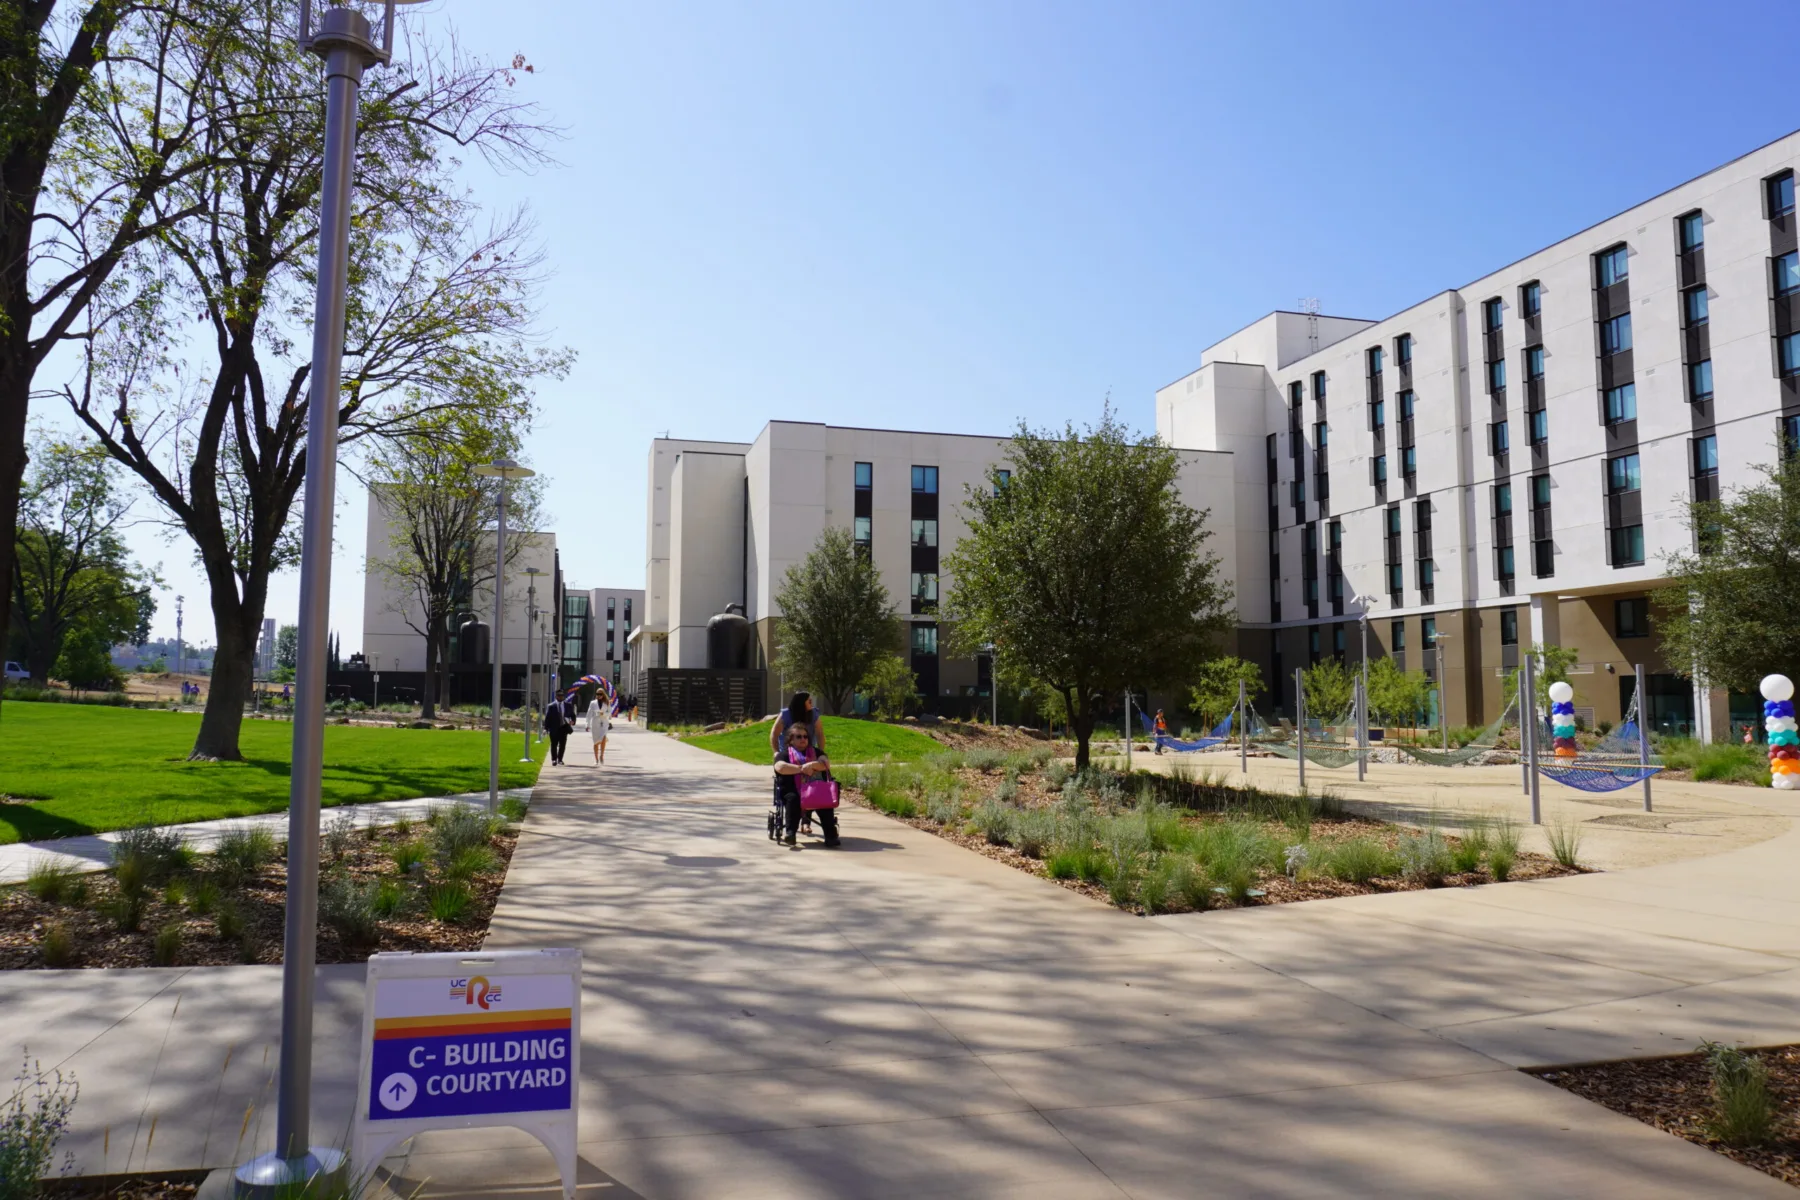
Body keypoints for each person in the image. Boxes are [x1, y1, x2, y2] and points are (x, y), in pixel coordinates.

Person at [773, 719, 839, 847]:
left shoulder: (816, 752)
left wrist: (812, 764)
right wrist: (801, 768)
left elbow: (825, 763)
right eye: (799, 736)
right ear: (791, 740)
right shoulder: (784, 754)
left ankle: (831, 836)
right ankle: (791, 833)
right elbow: (780, 767)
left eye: (805, 736)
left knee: (824, 801)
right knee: (793, 799)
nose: (803, 739)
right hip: (793, 790)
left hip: (816, 789)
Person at [543, 690, 571, 765]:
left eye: (562, 695)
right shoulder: (551, 706)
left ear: (564, 696)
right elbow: (547, 718)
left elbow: (573, 715)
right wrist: (545, 728)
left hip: (564, 728)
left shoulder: (568, 705)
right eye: (559, 695)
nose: (560, 697)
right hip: (554, 728)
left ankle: (560, 759)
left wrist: (573, 721)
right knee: (554, 744)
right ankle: (554, 759)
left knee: (562, 745)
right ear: (556, 696)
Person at [587, 689, 612, 764]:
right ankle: (596, 759)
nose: (598, 695)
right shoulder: (593, 703)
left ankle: (602, 755)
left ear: (603, 694)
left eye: (600, 694)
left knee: (603, 738)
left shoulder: (607, 702)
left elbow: (610, 714)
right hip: (595, 723)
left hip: (604, 723)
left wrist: (603, 714)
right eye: (597, 694)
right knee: (596, 742)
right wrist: (587, 724)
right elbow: (589, 714)